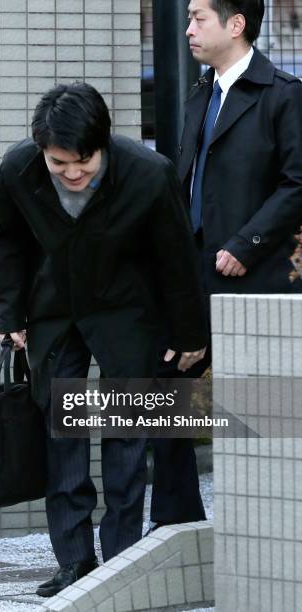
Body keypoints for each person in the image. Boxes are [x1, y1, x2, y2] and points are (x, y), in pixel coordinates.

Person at [0, 82, 208, 597]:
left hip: (129, 315)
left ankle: (121, 562)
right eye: (59, 164)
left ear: (103, 142)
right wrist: (9, 313)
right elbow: (5, 240)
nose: (72, 174)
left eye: (82, 162)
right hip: (55, 314)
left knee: (127, 439)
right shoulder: (19, 168)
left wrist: (190, 333)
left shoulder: (148, 173)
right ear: (41, 149)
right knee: (63, 436)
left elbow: (176, 258)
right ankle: (75, 563)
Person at [149, 0, 302, 529]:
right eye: (188, 19)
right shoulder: (200, 96)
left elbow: (298, 183)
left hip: (253, 278)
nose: (188, 29)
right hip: (190, 274)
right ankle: (175, 522)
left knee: (259, 405)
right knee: (166, 389)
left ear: (236, 25)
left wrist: (247, 242)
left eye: (198, 18)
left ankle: (267, 525)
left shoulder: (282, 96)